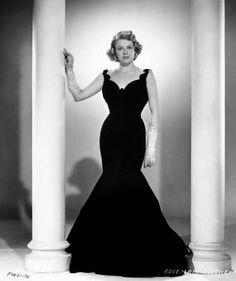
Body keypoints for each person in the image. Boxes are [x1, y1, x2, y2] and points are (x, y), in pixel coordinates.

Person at [63, 30, 192, 277]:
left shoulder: (146, 75)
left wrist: (151, 148)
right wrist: (70, 69)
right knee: (111, 185)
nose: (124, 51)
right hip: (109, 136)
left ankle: (154, 246)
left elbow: (156, 113)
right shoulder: (107, 75)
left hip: (134, 136)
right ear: (114, 51)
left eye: (129, 48)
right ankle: (106, 249)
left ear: (135, 50)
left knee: (132, 185)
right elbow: (78, 95)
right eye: (120, 48)